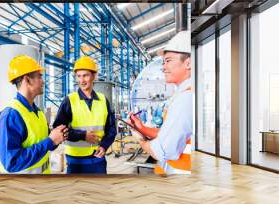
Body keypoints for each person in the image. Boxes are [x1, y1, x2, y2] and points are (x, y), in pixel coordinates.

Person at [127, 31, 192, 175]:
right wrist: (141, 127)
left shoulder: (186, 99)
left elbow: (162, 151)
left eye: (168, 60)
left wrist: (140, 140)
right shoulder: (183, 93)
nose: (163, 67)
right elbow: (168, 133)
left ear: (188, 63)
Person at [0, 55, 68, 174]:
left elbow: (43, 143)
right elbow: (12, 162)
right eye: (39, 76)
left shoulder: (37, 112)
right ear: (27, 80)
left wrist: (57, 138)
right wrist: (50, 141)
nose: (43, 81)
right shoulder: (10, 116)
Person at [53, 56, 117, 174]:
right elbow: (58, 130)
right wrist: (82, 135)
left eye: (86, 75)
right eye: (79, 76)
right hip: (75, 160)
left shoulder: (103, 100)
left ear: (94, 76)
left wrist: (104, 146)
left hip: (98, 158)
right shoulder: (69, 100)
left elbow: (112, 128)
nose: (82, 80)